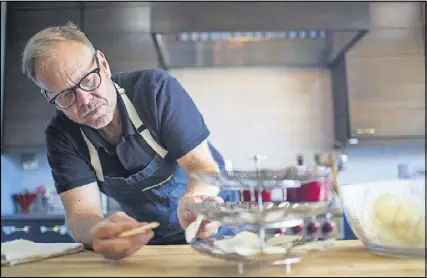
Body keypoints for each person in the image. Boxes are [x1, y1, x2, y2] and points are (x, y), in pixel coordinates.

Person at [21, 22, 237, 260]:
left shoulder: (155, 91)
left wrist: (197, 202)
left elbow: (202, 168)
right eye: (65, 95)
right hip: (152, 244)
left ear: (103, 63)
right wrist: (96, 232)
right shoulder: (62, 136)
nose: (84, 100)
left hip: (220, 229)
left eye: (88, 79)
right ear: (48, 97)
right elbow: (80, 214)